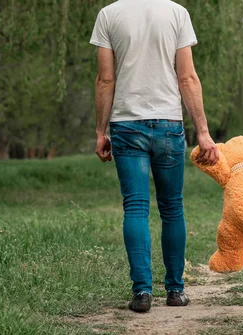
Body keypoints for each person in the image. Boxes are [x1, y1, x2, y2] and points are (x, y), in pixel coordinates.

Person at [90, 0, 219, 313]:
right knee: (172, 207)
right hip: (168, 125)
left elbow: (106, 79)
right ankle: (175, 290)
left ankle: (142, 293)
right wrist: (202, 131)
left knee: (135, 207)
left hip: (126, 124)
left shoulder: (109, 14)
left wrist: (100, 130)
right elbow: (187, 77)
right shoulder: (176, 13)